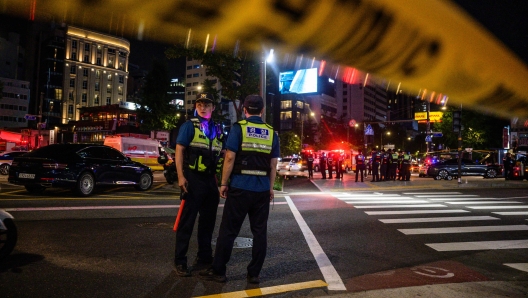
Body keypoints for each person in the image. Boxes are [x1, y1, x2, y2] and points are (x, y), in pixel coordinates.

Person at [200, 95, 280, 284]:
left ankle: (219, 271)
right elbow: (273, 165)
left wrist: (223, 182)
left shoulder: (239, 129)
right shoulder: (271, 133)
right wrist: (270, 188)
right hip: (261, 189)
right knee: (259, 232)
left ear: (244, 110)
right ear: (262, 111)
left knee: (228, 230)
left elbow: (229, 158)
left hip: (240, 187)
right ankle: (254, 273)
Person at [174, 93, 223, 277]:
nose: (203, 107)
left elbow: (222, 153)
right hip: (193, 179)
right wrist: (180, 176)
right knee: (187, 222)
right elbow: (179, 151)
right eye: (200, 104)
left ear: (213, 108)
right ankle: (180, 261)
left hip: (210, 181)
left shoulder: (218, 129)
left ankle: (204, 257)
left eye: (207, 104)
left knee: (208, 223)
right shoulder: (189, 126)